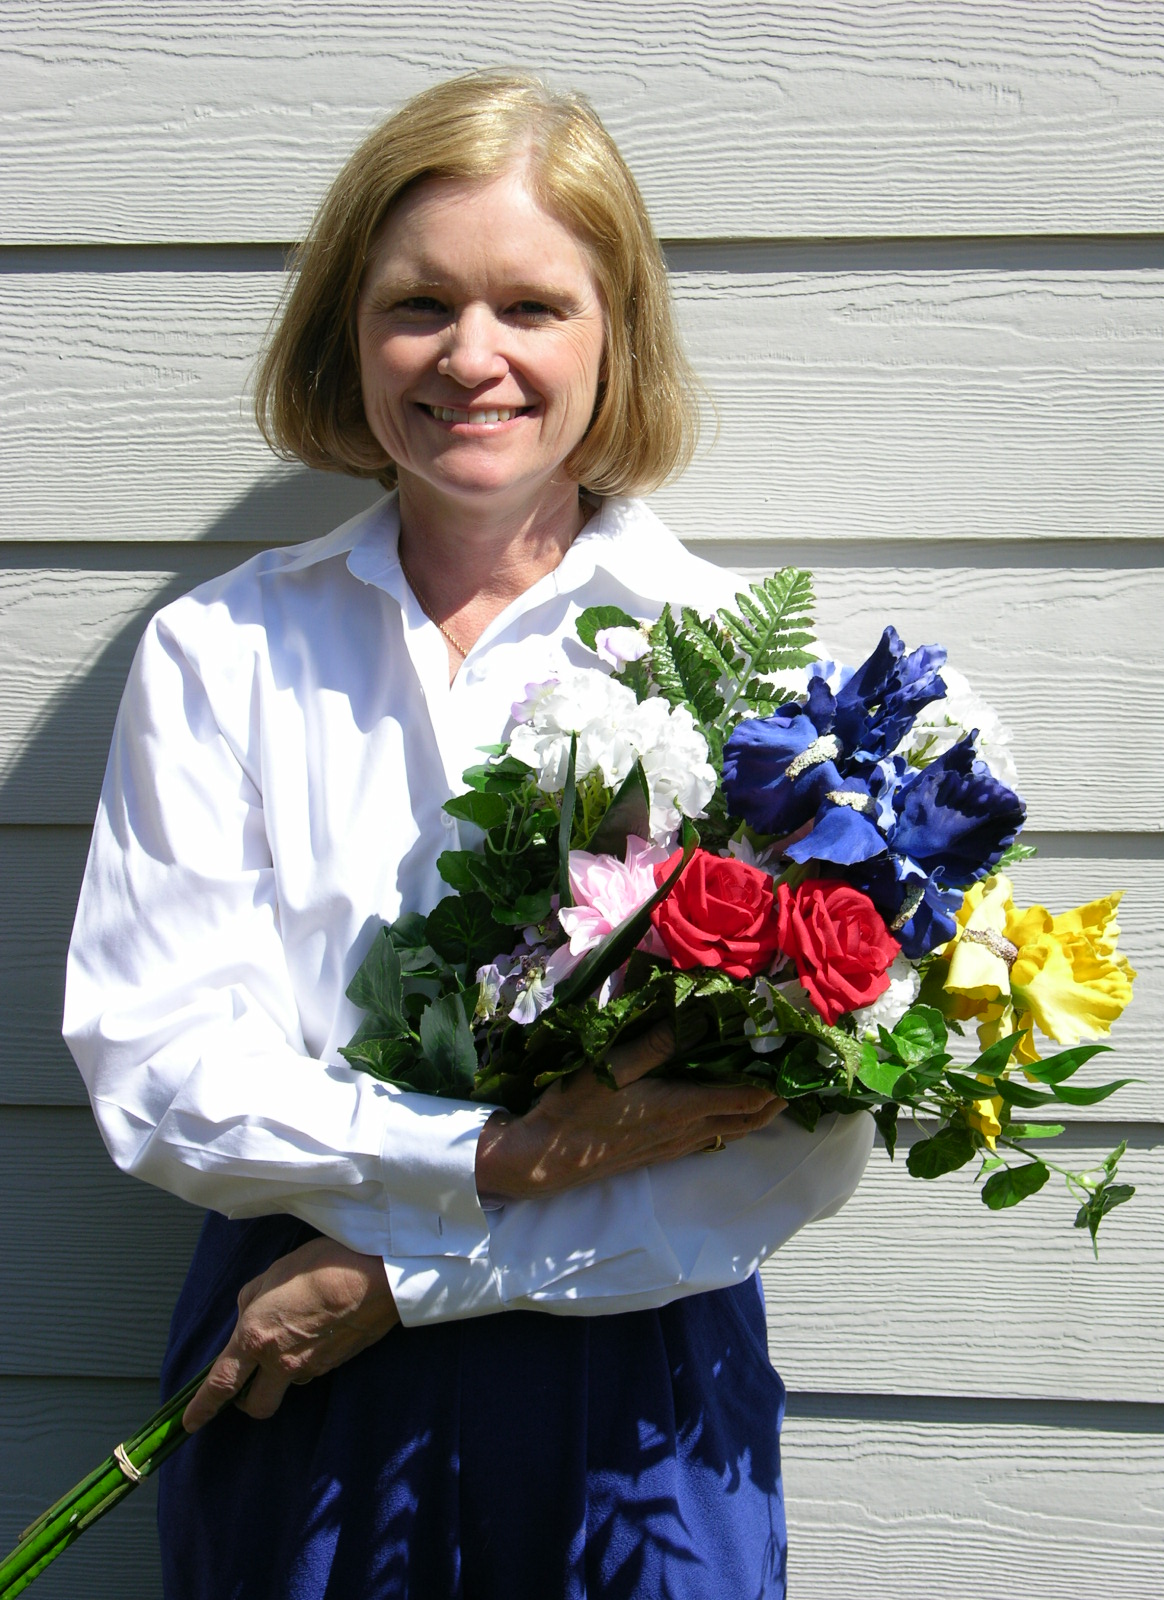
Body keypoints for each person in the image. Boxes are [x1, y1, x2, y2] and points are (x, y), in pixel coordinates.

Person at [63, 71, 873, 1599]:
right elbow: (157, 1062)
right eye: (418, 305)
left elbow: (789, 1145)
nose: (471, 356)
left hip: (630, 1385)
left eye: (533, 306)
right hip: (294, 1368)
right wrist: (492, 1157)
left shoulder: (752, 686)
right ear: (347, 329)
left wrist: (410, 1274)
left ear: (615, 333)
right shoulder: (221, 654)